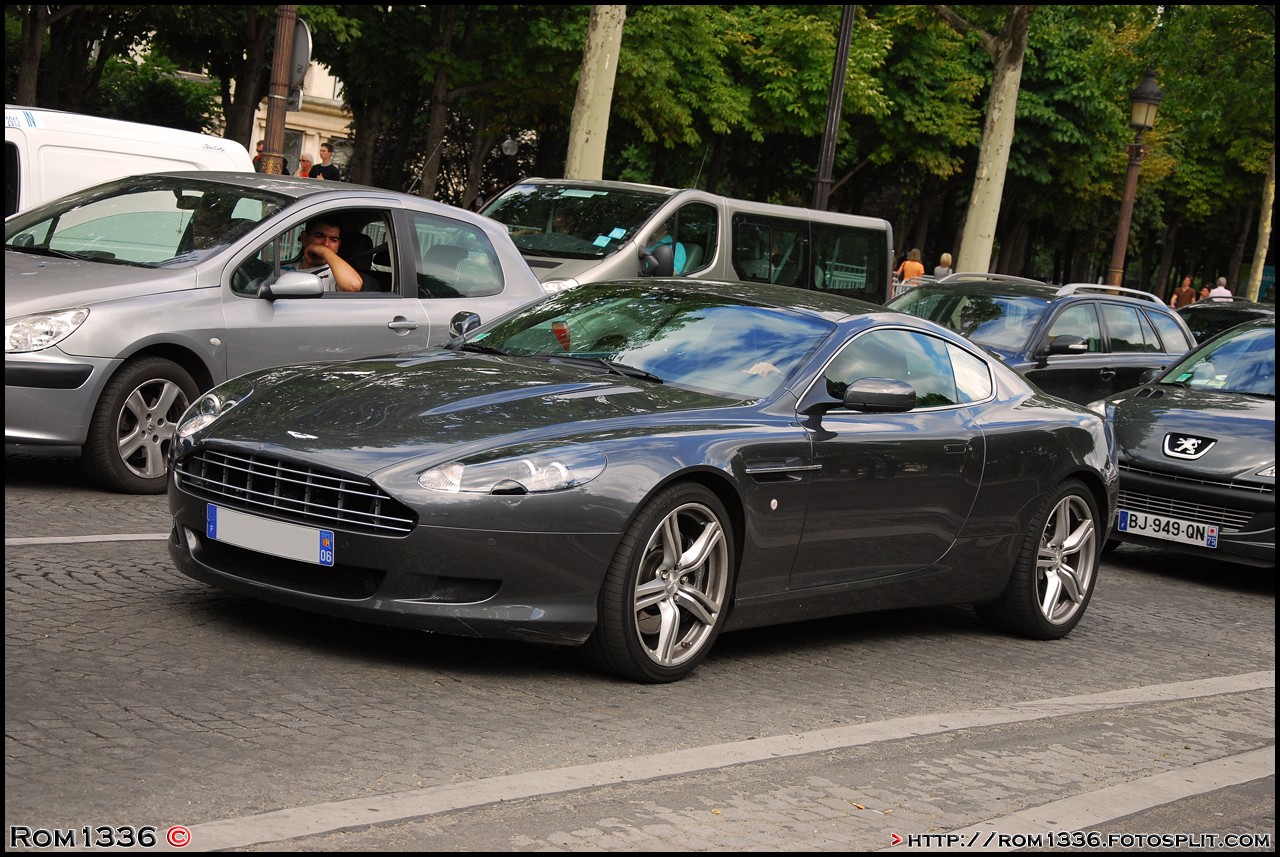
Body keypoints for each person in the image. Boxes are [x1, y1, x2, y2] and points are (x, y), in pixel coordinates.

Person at [289, 217, 363, 292]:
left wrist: (323, 250)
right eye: (319, 236)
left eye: (333, 240)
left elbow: (354, 285)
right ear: (304, 238)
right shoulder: (282, 269)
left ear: (338, 245)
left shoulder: (334, 276)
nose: (326, 243)